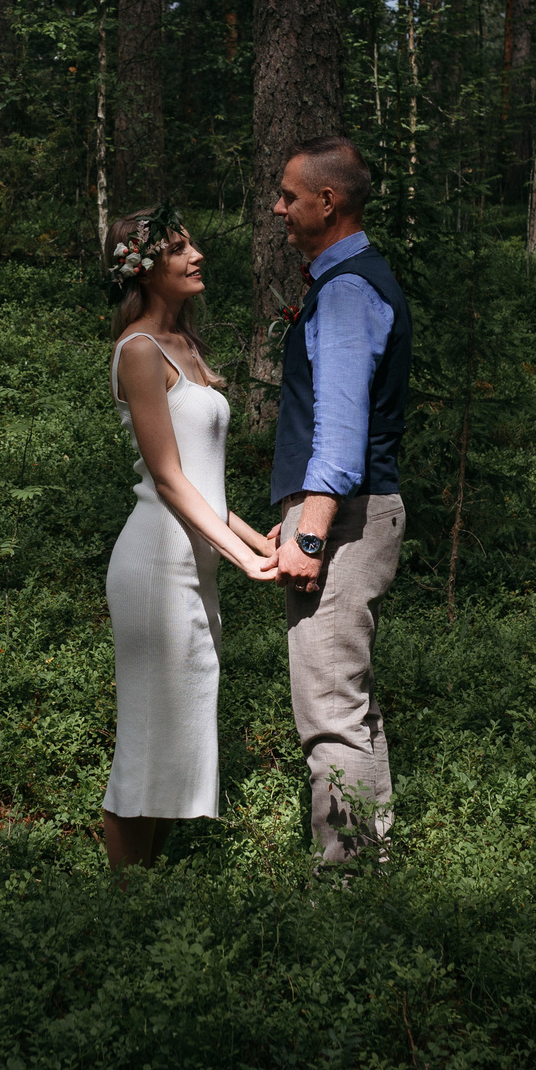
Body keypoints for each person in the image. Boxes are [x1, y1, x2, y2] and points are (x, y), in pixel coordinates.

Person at [99, 202, 282, 870]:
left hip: (194, 565)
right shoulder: (140, 351)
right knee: (145, 745)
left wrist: (259, 543)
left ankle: (148, 893)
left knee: (179, 745)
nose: (196, 253)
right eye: (178, 248)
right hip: (155, 567)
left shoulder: (188, 346)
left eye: (192, 241)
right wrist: (243, 558)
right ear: (144, 270)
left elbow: (204, 490)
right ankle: (126, 914)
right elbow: (171, 481)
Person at [267, 137, 410, 865]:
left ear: (329, 202)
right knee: (352, 701)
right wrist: (296, 511)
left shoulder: (349, 289)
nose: (278, 206)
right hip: (345, 513)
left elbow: (342, 433)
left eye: (289, 195)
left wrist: (312, 534)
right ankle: (373, 858)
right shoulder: (350, 280)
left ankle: (345, 882)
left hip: (346, 520)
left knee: (329, 712)